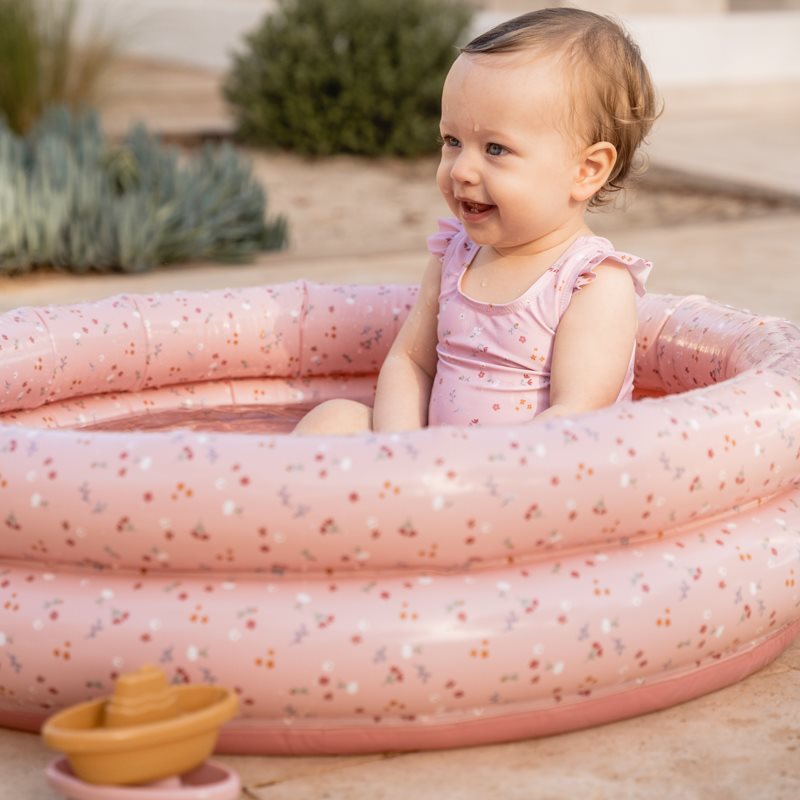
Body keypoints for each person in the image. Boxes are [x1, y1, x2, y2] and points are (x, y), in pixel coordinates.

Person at [293, 7, 659, 435]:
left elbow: (574, 417)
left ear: (586, 170)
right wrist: (401, 449)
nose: (461, 170)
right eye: (452, 141)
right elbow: (409, 360)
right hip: (433, 467)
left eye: (495, 149)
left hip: (527, 476)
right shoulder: (456, 254)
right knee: (333, 419)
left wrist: (474, 471)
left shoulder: (591, 284)